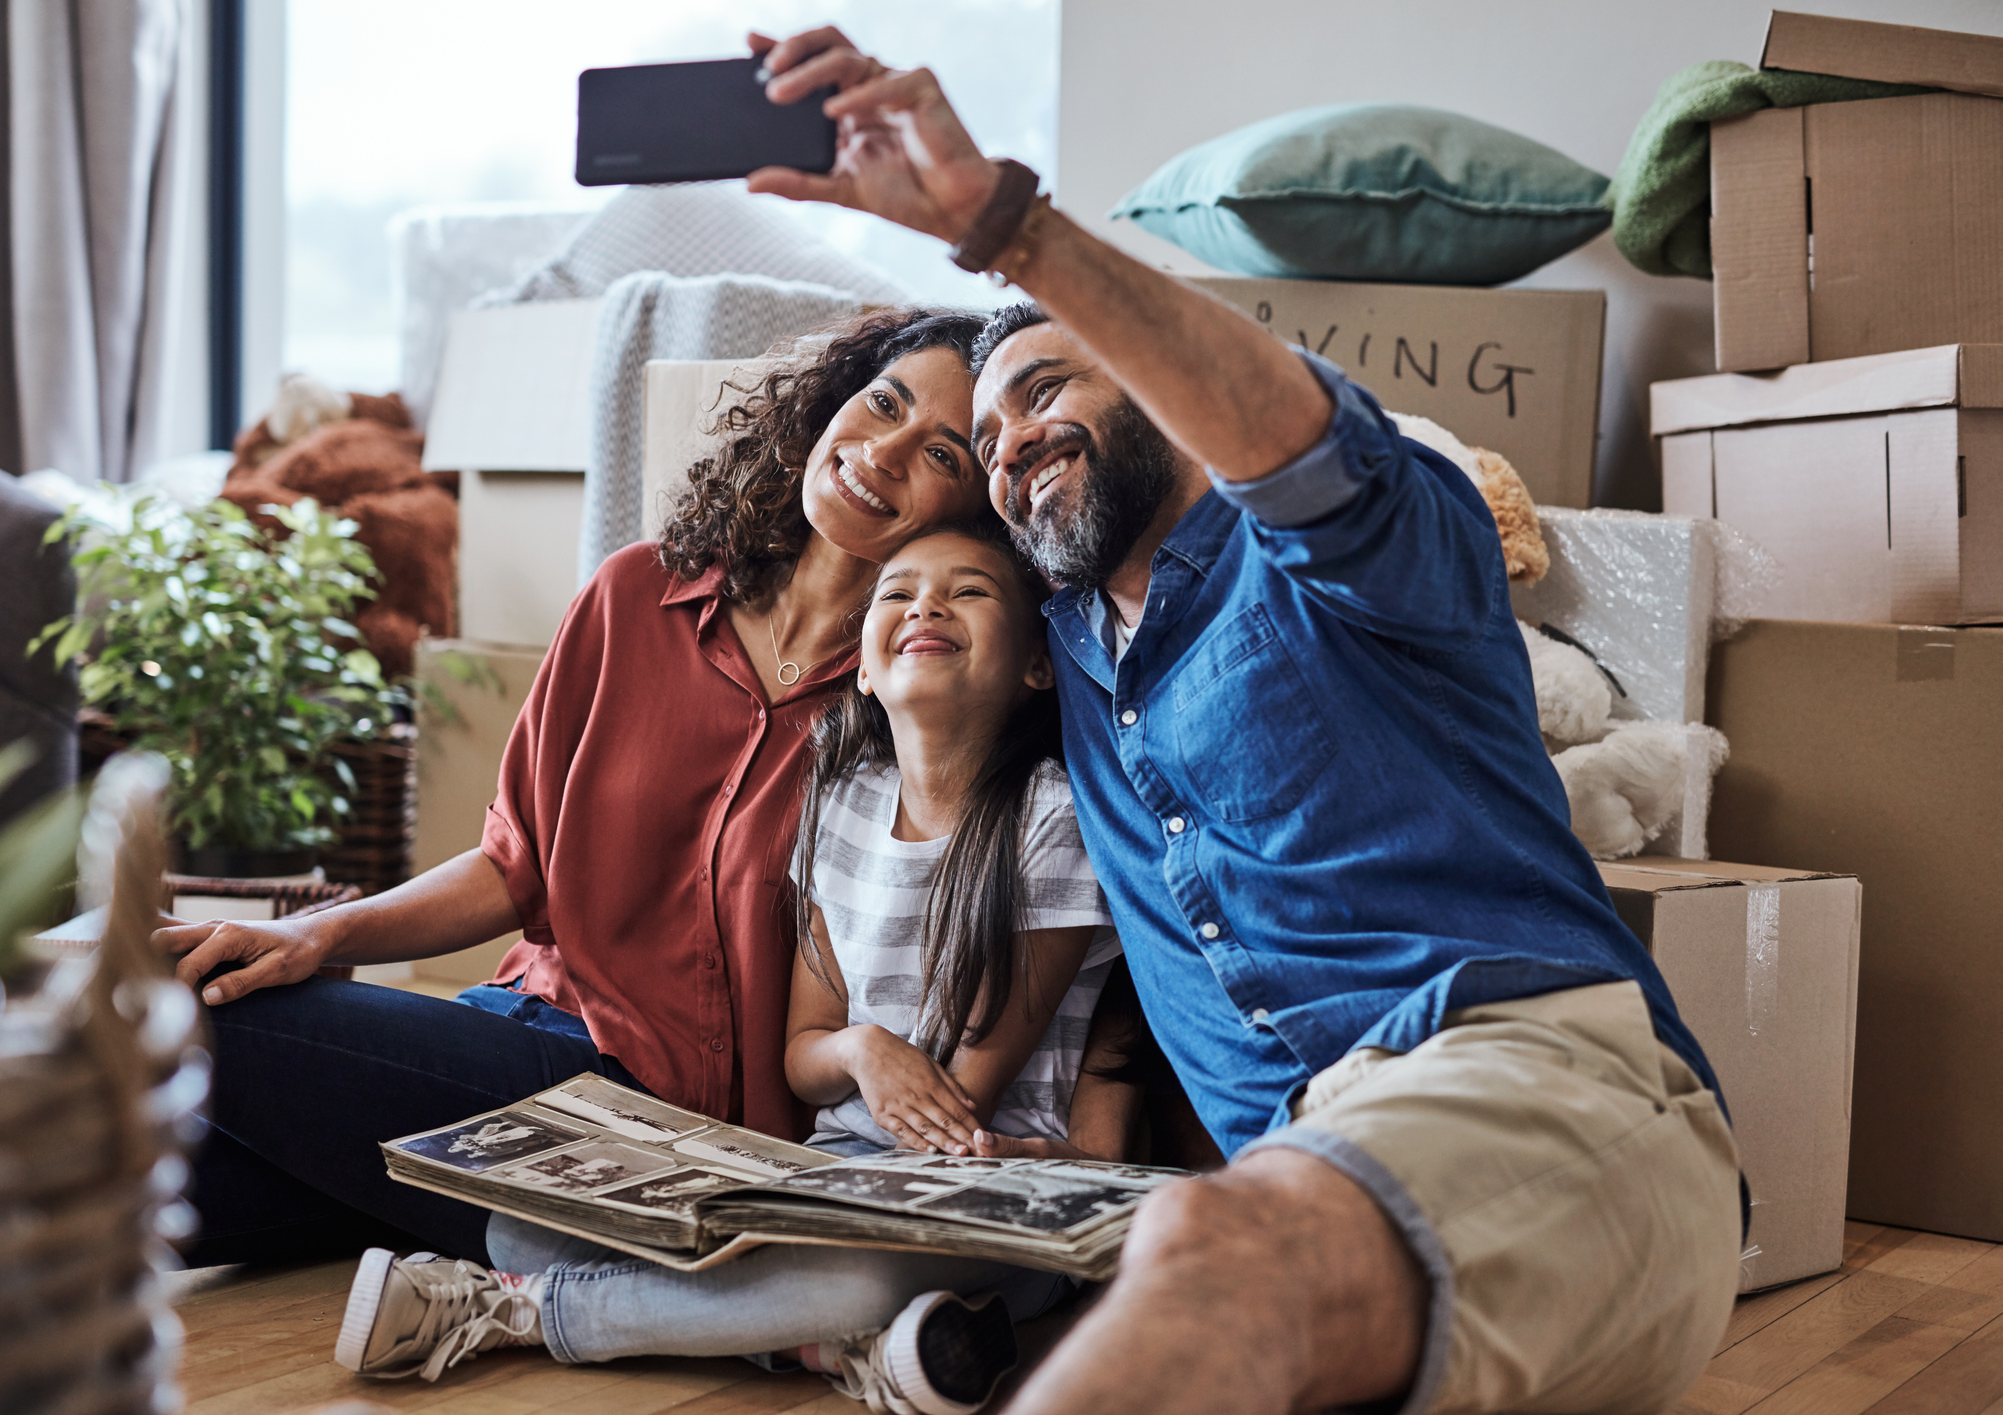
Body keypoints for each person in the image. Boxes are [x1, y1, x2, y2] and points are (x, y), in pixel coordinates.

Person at [736, 26, 1746, 1415]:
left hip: (1539, 1100)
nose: (1013, 437)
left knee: (1210, 1242)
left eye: (1048, 387)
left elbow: (1299, 442)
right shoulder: (1065, 662)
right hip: (1321, 1205)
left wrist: (1004, 230)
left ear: (1153, 382)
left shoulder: (1354, 561)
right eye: (990, 433)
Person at [157, 308, 995, 1267]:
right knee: (136, 1203)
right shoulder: (633, 595)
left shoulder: (919, 702)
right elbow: (514, 867)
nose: (881, 452)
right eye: (881, 402)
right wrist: (316, 934)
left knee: (192, 1016)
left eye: (942, 454)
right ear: (828, 405)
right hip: (506, 1043)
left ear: (975, 517)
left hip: (653, 1125)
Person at [334, 523, 1132, 1415]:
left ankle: (514, 1312)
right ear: (862, 668)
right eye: (897, 591)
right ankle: (834, 1348)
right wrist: (861, 1048)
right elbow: (804, 1050)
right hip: (830, 1171)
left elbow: (955, 1111)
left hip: (979, 1180)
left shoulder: (1049, 821)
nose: (925, 605)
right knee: (522, 1222)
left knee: (861, 1277)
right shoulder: (838, 804)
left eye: (970, 591)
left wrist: (807, 1204)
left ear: (1037, 665)